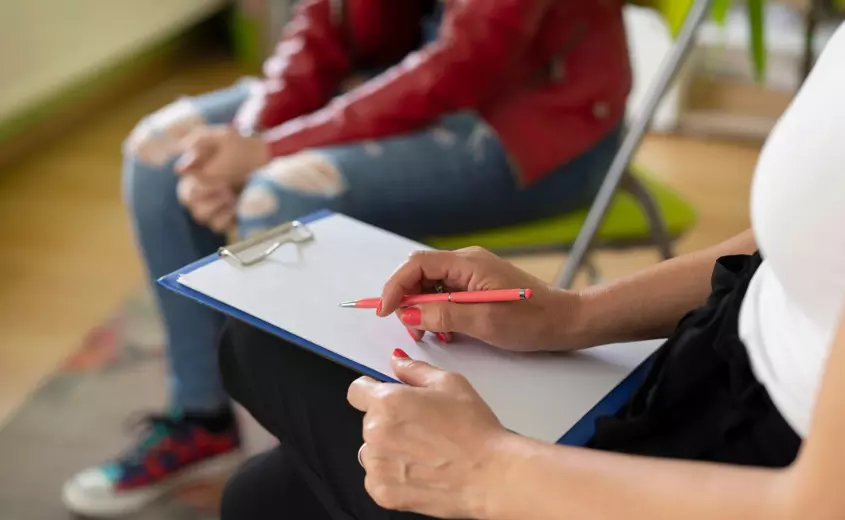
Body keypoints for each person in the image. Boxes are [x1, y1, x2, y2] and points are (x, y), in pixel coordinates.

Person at [214, 21, 845, 520]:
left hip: (727, 472)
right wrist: (574, 313)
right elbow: (787, 245)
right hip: (701, 372)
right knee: (261, 496)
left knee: (252, 349)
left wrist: (489, 470)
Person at [61, 0, 631, 516]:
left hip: (529, 115)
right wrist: (247, 135)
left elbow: (465, 61)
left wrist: (266, 152)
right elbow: (321, 21)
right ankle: (201, 417)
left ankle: (311, 460)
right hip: (394, 80)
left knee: (274, 195)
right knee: (162, 157)